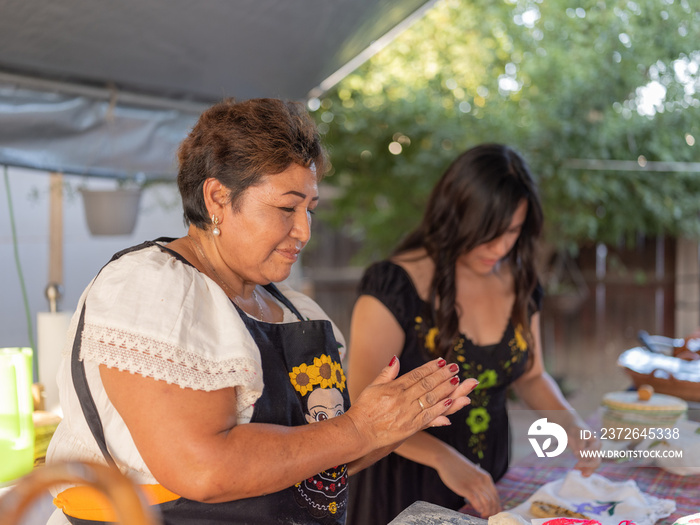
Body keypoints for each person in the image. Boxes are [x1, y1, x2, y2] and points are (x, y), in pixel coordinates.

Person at [45, 98, 478, 525]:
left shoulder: (294, 309)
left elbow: (318, 456)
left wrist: (395, 422)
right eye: (286, 208)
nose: (304, 230)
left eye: (309, 209)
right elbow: (202, 469)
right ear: (217, 197)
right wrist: (360, 429)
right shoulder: (154, 288)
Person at [345, 144, 601, 524]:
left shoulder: (521, 282)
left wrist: (571, 424)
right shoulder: (395, 286)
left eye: (512, 231)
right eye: (488, 233)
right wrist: (445, 459)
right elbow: (362, 405)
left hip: (490, 477)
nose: (500, 247)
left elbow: (531, 374)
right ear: (455, 217)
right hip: (405, 483)